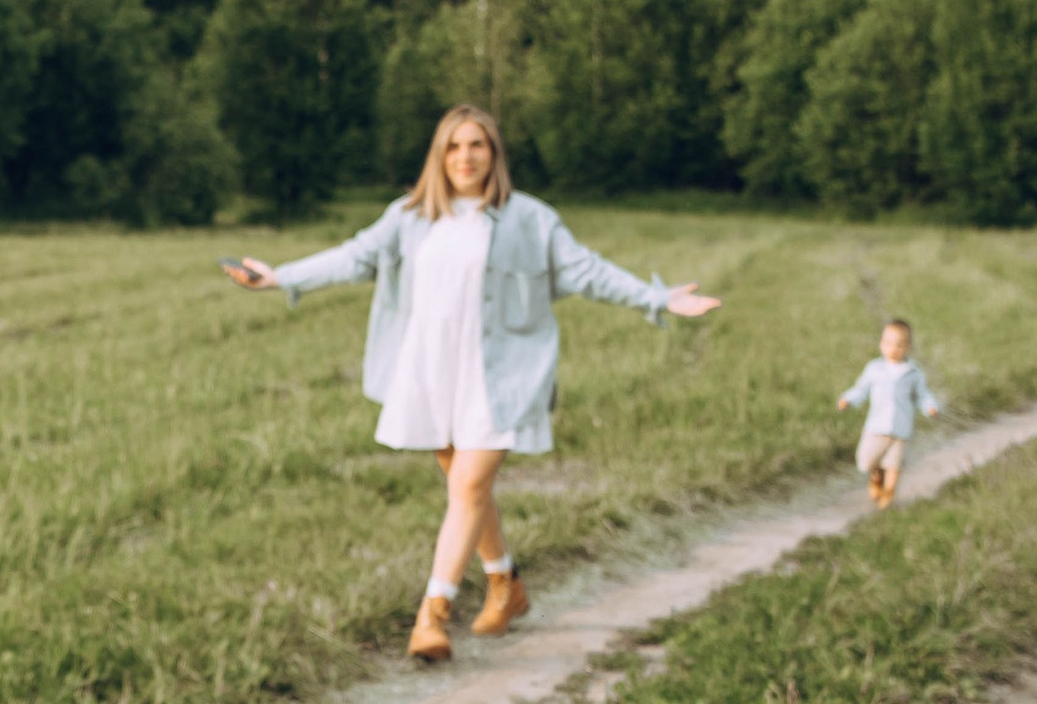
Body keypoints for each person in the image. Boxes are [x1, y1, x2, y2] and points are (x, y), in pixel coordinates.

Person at [225, 106, 721, 661]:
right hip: (433, 370)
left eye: (477, 145)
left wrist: (658, 297)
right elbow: (354, 256)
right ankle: (505, 584)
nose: (466, 156)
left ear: (495, 154)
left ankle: (432, 616)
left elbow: (587, 270)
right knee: (469, 489)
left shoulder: (530, 219)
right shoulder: (411, 216)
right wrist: (280, 277)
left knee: (466, 488)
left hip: (502, 374)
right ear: (440, 155)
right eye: (454, 146)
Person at [838, 316, 939, 510]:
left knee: (894, 464)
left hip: (901, 429)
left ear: (908, 346)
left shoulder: (913, 373)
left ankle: (889, 493)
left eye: (900, 345)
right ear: (881, 344)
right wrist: (848, 400)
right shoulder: (874, 369)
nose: (893, 349)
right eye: (888, 344)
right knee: (866, 462)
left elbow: (923, 395)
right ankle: (876, 476)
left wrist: (930, 407)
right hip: (876, 426)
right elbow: (861, 389)